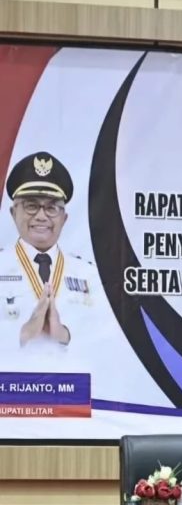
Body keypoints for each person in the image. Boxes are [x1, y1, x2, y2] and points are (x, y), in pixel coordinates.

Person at [1, 151, 100, 355]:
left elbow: (107, 342)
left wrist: (64, 336)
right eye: (31, 206)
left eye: (52, 208)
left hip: (73, 375)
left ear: (64, 218)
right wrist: (21, 335)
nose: (41, 216)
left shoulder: (90, 276)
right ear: (13, 213)